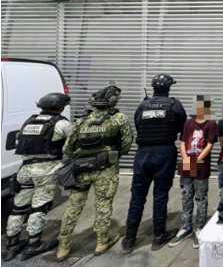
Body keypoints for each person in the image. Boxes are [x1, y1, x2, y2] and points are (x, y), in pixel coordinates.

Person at [56, 85, 134, 261]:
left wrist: (82, 157)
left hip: (81, 170)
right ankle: (101, 241)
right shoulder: (118, 119)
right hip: (106, 169)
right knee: (103, 203)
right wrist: (113, 155)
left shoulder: (81, 121)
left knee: (74, 205)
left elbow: (67, 148)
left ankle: (63, 245)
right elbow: (127, 142)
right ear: (112, 102)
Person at [122, 74, 187, 254]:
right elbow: (182, 127)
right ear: (169, 87)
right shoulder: (174, 105)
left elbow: (138, 125)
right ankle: (158, 235)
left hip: (142, 153)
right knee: (160, 194)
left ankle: (129, 239)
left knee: (137, 196)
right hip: (164, 152)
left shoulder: (142, 105)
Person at [4, 93, 72, 262]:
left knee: (18, 208)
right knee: (39, 207)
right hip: (46, 169)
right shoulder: (61, 123)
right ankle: (34, 244)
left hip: (25, 169)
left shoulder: (29, 122)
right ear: (60, 107)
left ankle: (12, 245)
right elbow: (72, 143)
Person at [169, 95, 218, 249]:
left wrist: (197, 160)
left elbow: (209, 145)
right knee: (186, 196)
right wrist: (186, 160)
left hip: (201, 164)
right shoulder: (188, 123)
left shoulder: (211, 124)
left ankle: (199, 228)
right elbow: (183, 142)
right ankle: (185, 227)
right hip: (187, 162)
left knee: (201, 197)